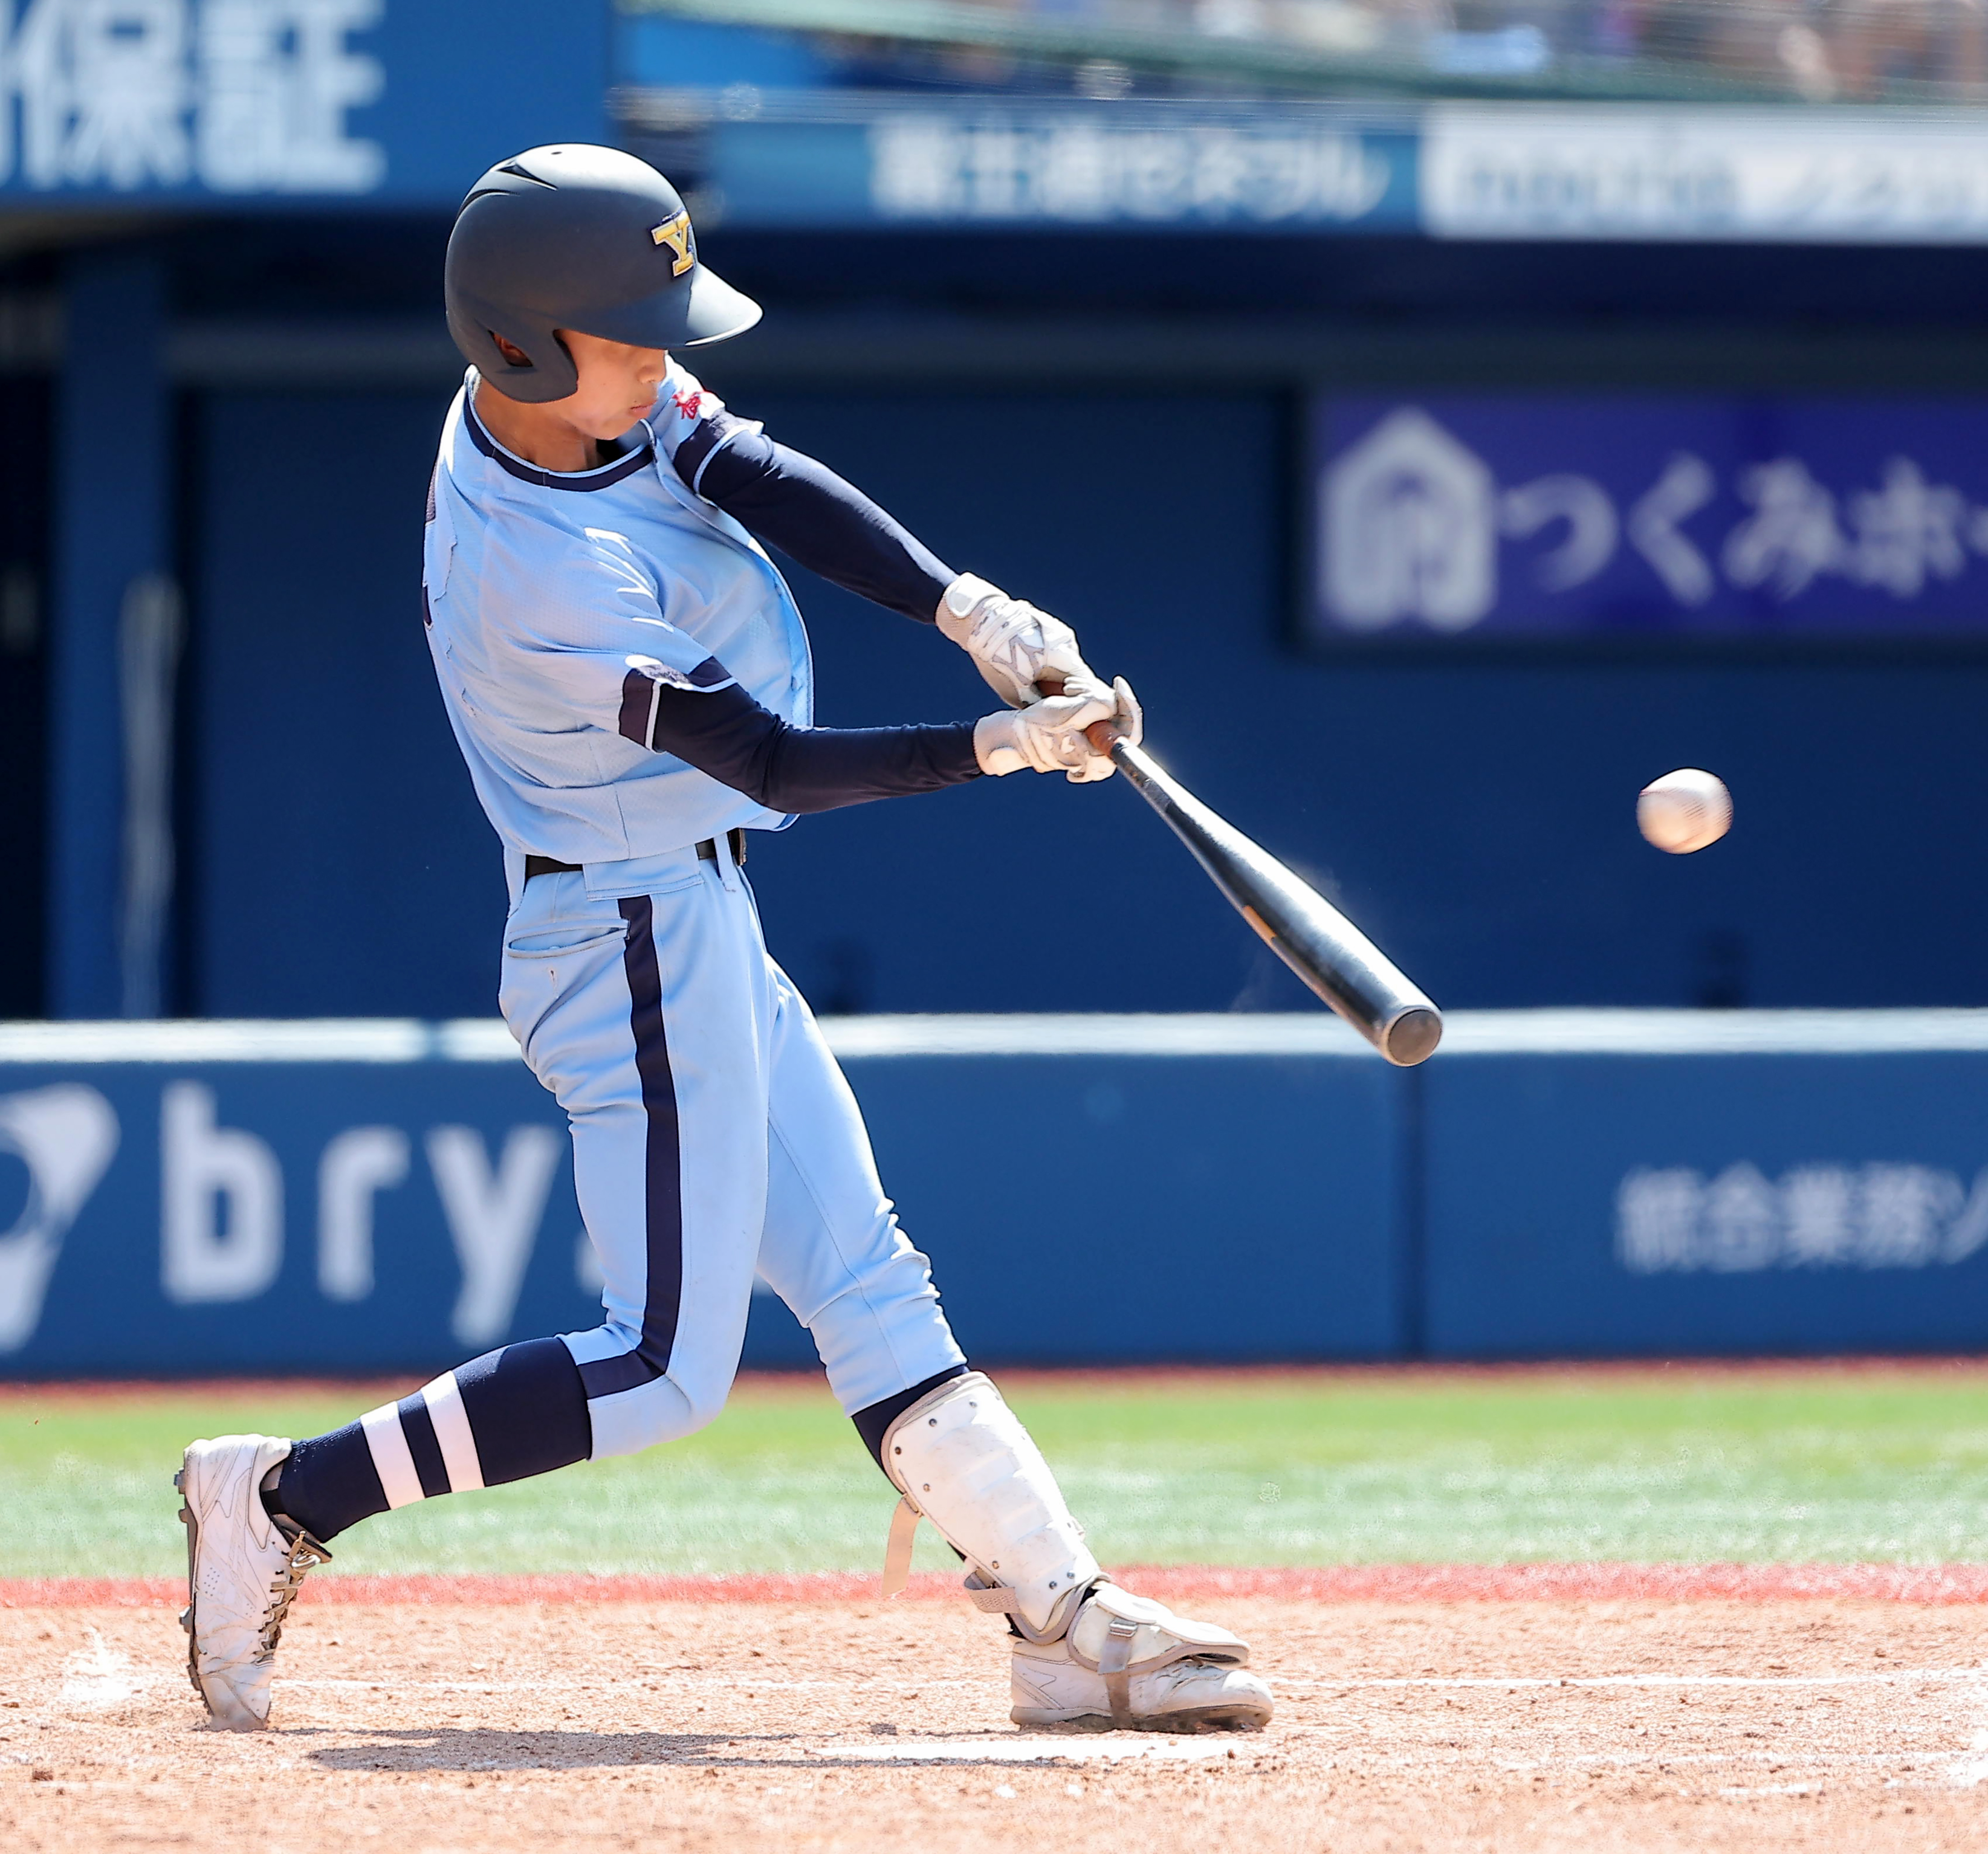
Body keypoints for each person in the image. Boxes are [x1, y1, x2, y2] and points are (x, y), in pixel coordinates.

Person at [174, 144, 1274, 1740]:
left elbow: (756, 472)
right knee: (664, 1372)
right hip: (617, 926)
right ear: (526, 350)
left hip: (681, 905)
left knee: (873, 1283)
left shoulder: (569, 400)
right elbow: (760, 760)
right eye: (635, 336)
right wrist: (998, 748)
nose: (666, 360)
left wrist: (968, 606)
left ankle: (1062, 1616)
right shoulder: (532, 571)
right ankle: (278, 1498)